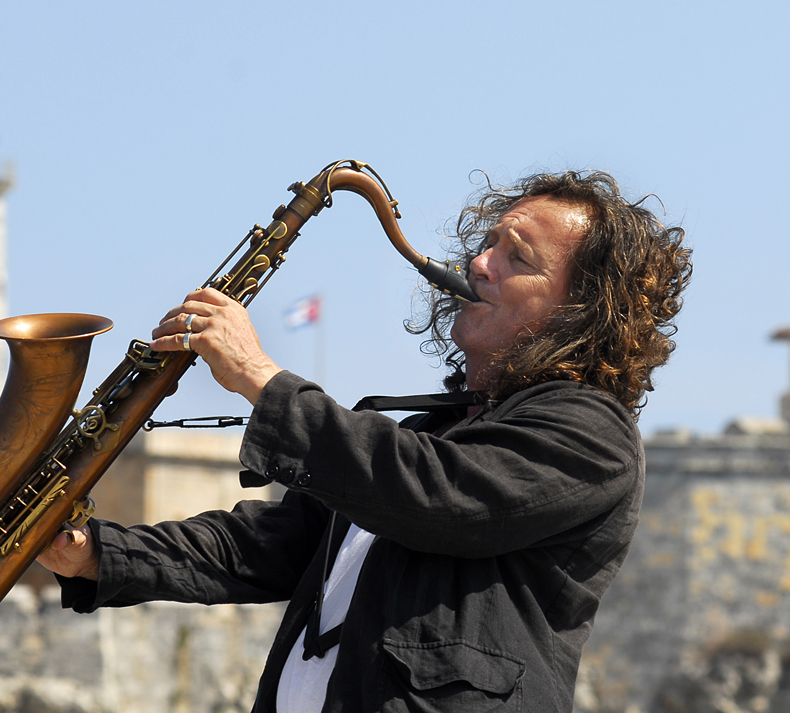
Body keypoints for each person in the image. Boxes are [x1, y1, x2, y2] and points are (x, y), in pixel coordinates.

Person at [37, 169, 692, 712]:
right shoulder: (436, 434)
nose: (478, 263)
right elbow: (264, 545)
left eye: (516, 258)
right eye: (488, 242)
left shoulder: (591, 432)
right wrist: (95, 553)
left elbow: (438, 493)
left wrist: (262, 380)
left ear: (583, 311)